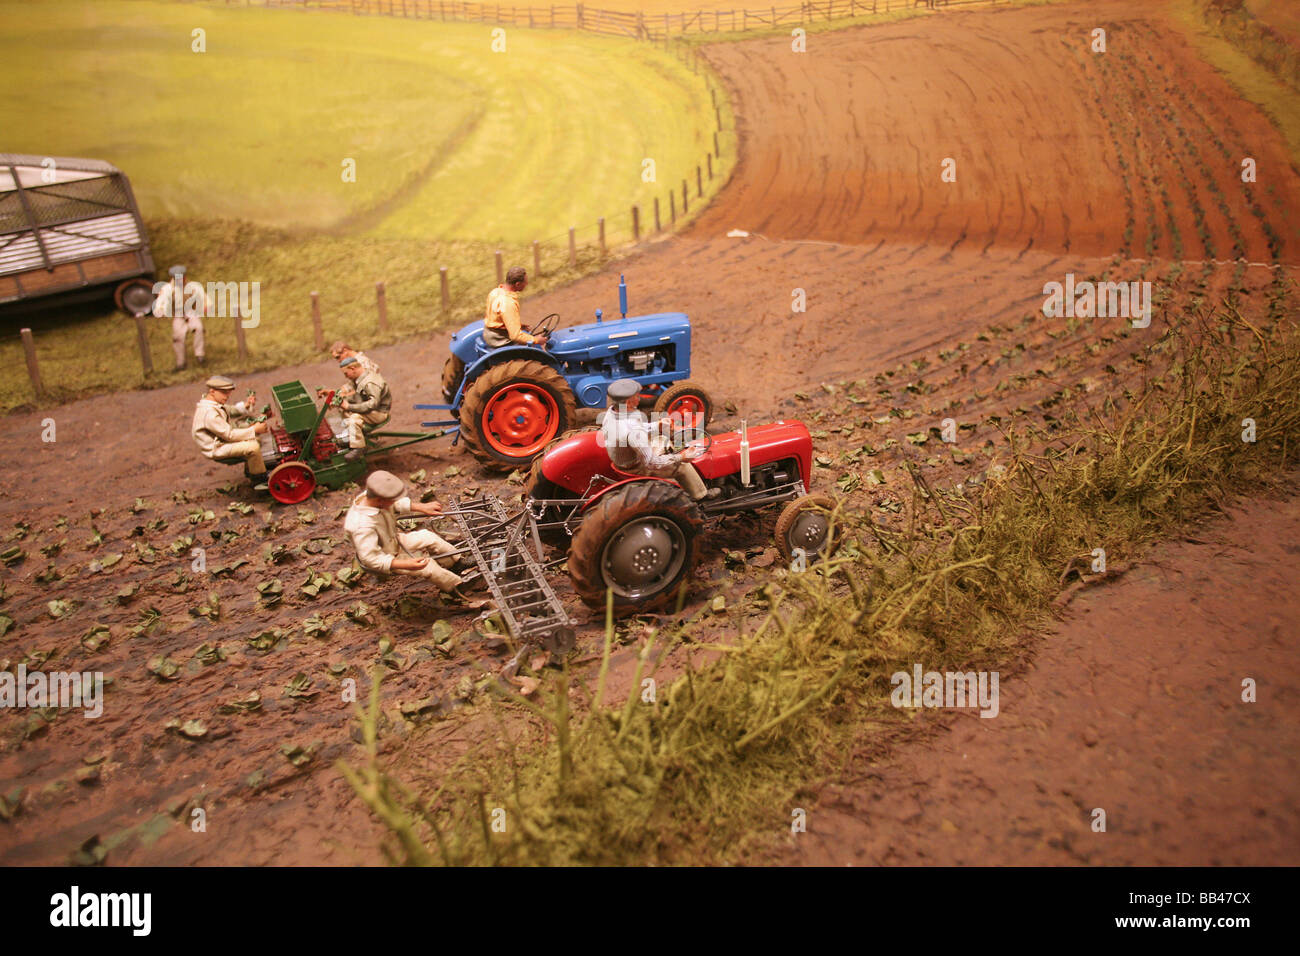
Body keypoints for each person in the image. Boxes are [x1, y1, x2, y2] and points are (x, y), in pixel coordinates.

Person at [343, 470, 481, 602]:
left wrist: (421, 507)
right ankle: (456, 587)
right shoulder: (361, 526)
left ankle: (456, 563)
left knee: (428, 537)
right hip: (385, 556)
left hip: (394, 540)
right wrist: (405, 564)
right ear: (380, 500)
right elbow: (371, 559)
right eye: (390, 500)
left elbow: (395, 503)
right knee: (428, 567)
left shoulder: (373, 497)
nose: (393, 502)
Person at [598, 378, 719, 501]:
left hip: (622, 461)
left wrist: (657, 425)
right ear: (629, 402)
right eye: (637, 396)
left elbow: (634, 428)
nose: (639, 398)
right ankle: (700, 495)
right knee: (682, 466)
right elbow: (651, 463)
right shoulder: (634, 432)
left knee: (661, 439)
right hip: (636, 469)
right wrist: (681, 457)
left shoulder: (611, 414)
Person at [191, 375, 270, 489]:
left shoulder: (212, 402)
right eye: (224, 393)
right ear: (212, 391)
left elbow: (230, 410)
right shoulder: (209, 413)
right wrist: (254, 429)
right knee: (253, 447)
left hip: (221, 440)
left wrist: (246, 405)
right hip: (217, 447)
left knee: (254, 438)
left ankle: (252, 469)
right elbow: (230, 435)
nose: (227, 396)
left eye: (228, 392)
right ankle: (260, 480)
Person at [153, 265, 212, 371]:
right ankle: (181, 363)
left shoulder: (192, 286)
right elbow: (161, 301)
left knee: (198, 328)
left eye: (182, 277)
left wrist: (205, 306)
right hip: (178, 314)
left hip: (191, 312)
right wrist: (160, 310)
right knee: (178, 337)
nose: (181, 280)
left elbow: (203, 296)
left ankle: (200, 355)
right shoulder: (167, 289)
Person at [483, 266, 547, 348]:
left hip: (490, 334)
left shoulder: (495, 292)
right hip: (500, 340)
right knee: (536, 350)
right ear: (518, 284)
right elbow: (515, 336)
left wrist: (518, 325)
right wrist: (536, 340)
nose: (527, 284)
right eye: (525, 282)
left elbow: (496, 317)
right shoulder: (508, 303)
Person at [338, 356, 391, 450]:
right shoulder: (360, 378)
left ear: (353, 368)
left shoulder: (370, 382)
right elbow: (359, 395)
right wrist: (344, 400)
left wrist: (349, 406)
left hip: (379, 413)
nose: (346, 377)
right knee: (343, 410)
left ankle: (357, 448)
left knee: (353, 419)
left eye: (346, 374)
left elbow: (373, 404)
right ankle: (351, 435)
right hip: (371, 410)